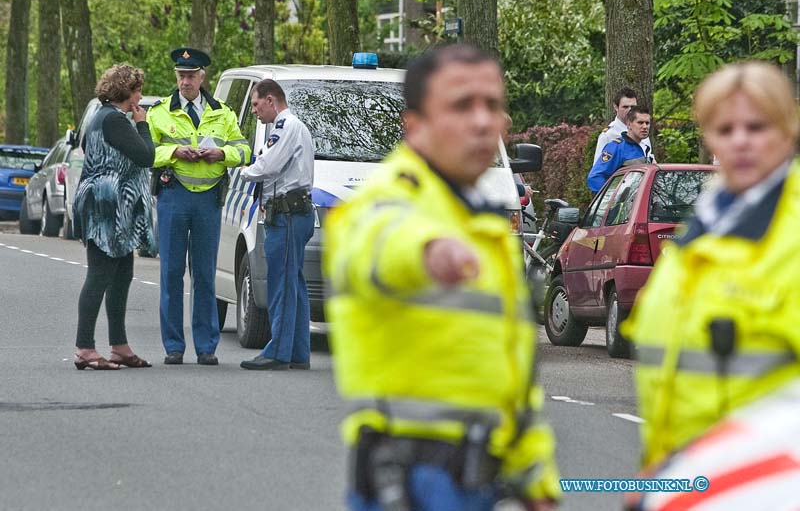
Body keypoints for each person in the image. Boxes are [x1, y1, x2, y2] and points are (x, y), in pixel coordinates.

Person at [323, 45, 561, 511]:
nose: (481, 121)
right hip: (412, 483)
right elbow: (374, 241)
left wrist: (539, 484)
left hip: (486, 482)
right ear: (414, 126)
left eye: (492, 105)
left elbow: (515, 381)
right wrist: (427, 250)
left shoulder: (485, 226)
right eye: (460, 105)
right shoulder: (384, 201)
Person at [622, 61, 800, 472]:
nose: (740, 142)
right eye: (725, 130)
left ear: (788, 131)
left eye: (757, 128)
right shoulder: (695, 243)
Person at [147, 47, 251, 366]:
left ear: (202, 77)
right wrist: (174, 153)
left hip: (208, 199)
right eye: (181, 76)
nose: (185, 82)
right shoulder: (160, 112)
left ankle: (206, 346)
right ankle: (174, 346)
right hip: (174, 196)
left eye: (191, 76)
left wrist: (223, 155)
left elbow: (244, 150)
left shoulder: (223, 113)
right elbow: (146, 151)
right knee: (172, 272)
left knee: (204, 273)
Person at [72, 64, 156, 370]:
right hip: (106, 207)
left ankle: (119, 345)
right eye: (138, 91)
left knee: (122, 275)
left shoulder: (101, 117)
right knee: (99, 275)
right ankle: (84, 348)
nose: (140, 96)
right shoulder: (115, 121)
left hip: (116, 208)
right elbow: (147, 156)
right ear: (126, 93)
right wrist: (143, 124)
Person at [238, 79, 315, 371]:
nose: (255, 112)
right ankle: (297, 351)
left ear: (271, 100)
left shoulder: (285, 126)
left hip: (288, 214)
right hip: (293, 212)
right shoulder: (291, 126)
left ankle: (278, 352)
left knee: (282, 282)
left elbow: (268, 166)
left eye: (256, 104)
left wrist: (242, 172)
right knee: (293, 282)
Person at [586, 105, 653, 195]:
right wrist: (612, 200)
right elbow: (595, 177)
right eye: (640, 123)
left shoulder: (645, 147)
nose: (645, 127)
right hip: (621, 207)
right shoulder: (616, 147)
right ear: (629, 124)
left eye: (647, 123)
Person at [593, 87, 654, 163]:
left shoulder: (642, 132)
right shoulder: (608, 135)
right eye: (625, 107)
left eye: (633, 107)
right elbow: (598, 169)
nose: (629, 110)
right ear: (616, 107)